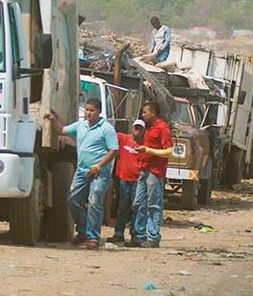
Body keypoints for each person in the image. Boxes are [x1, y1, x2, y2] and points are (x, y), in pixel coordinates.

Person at [45, 100, 118, 250]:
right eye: (87, 110)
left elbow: (114, 150)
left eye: (92, 110)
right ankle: (83, 230)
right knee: (73, 200)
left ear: (98, 112)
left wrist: (99, 166)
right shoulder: (80, 126)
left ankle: (93, 237)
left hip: (100, 172)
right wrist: (54, 120)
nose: (88, 113)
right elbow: (61, 131)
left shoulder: (106, 129)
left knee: (95, 200)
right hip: (82, 170)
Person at [127, 102, 173, 248]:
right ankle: (139, 235)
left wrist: (148, 150)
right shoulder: (148, 128)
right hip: (144, 169)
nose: (143, 114)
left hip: (155, 171)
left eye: (145, 112)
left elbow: (169, 151)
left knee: (153, 204)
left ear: (153, 113)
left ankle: (153, 237)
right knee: (138, 203)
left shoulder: (163, 128)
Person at [107, 119, 146, 244]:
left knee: (136, 208)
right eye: (136, 128)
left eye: (140, 129)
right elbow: (109, 134)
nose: (137, 131)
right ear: (131, 128)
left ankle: (135, 235)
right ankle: (119, 233)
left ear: (143, 131)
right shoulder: (123, 139)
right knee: (123, 208)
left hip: (138, 181)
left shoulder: (145, 145)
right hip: (124, 180)